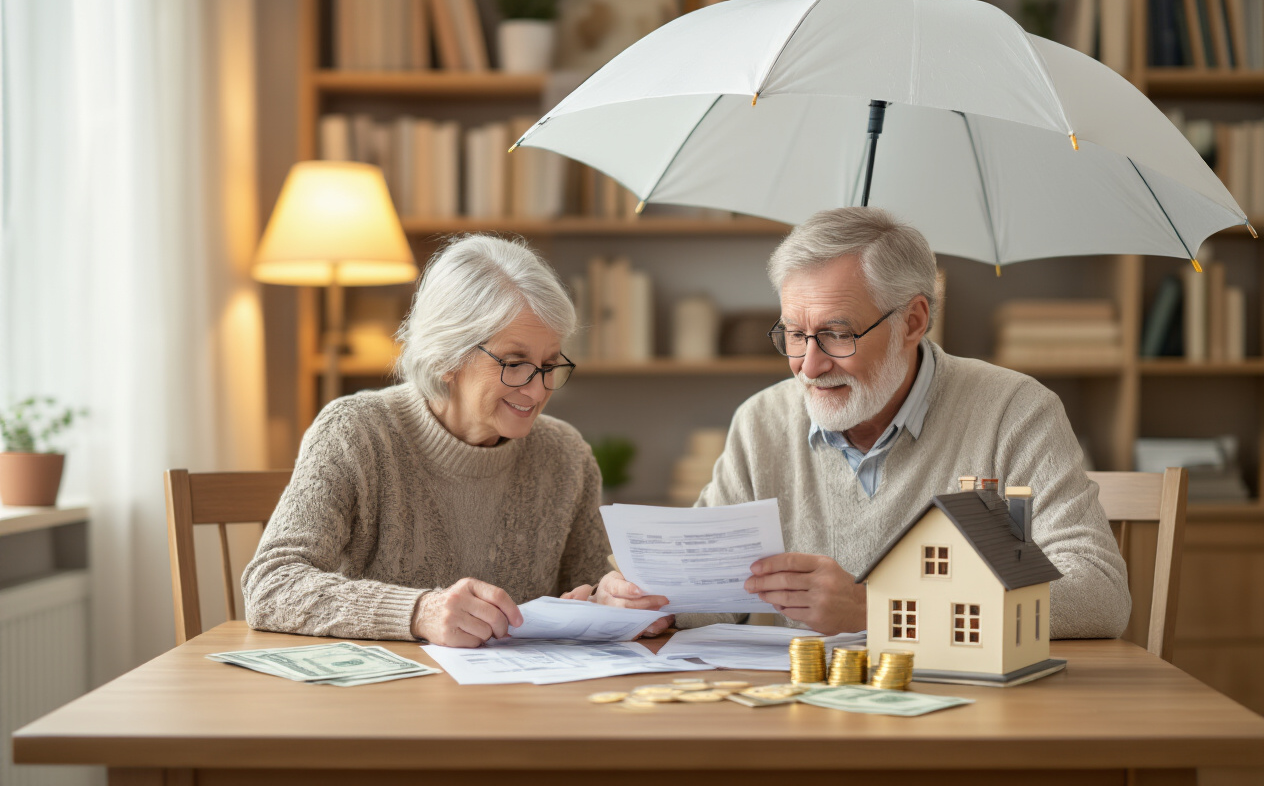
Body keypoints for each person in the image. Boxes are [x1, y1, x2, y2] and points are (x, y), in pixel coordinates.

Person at [583, 207, 1130, 639]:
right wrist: (651, 603)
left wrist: (879, 609)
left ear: (913, 320)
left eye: (837, 334)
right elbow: (712, 598)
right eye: (794, 335)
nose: (809, 366)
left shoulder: (1015, 411)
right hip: (799, 720)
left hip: (962, 717)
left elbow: (1100, 596)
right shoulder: (762, 421)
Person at [243, 234, 615, 647]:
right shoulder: (355, 433)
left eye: (549, 364)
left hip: (519, 698)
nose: (537, 390)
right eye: (514, 363)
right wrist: (419, 612)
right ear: (445, 357)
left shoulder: (566, 456)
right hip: (388, 699)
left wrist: (609, 601)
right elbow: (271, 586)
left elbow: (592, 588)